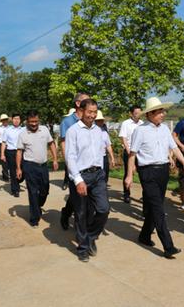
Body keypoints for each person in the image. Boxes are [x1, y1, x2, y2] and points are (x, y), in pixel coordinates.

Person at [125, 97, 184, 259]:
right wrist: (129, 175)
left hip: (163, 171)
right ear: (150, 114)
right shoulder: (140, 131)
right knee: (159, 210)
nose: (163, 114)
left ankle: (144, 236)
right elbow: (132, 154)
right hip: (147, 172)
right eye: (160, 111)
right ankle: (168, 246)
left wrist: (183, 162)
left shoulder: (164, 129)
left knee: (156, 206)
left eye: (163, 111)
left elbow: (174, 147)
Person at [65, 98, 110, 262]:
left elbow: (99, 153)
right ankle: (83, 247)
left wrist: (102, 173)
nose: (92, 115)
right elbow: (70, 157)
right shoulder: (73, 131)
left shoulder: (99, 131)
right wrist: (78, 180)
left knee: (103, 209)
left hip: (97, 175)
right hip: (81, 175)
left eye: (94, 112)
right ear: (82, 111)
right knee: (81, 213)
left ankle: (90, 237)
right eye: (89, 112)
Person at [16, 110, 59, 228]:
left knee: (45, 190)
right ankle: (34, 218)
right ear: (27, 121)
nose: (34, 124)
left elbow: (51, 144)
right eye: (31, 122)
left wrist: (55, 159)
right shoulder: (23, 134)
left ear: (38, 120)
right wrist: (19, 168)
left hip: (43, 166)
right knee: (33, 192)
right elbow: (19, 151)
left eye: (36, 121)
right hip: (30, 166)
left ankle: (37, 206)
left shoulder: (44, 130)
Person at [59, 92, 89, 230]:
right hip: (74, 163)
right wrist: (68, 162)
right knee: (77, 196)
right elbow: (64, 143)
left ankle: (73, 216)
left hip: (88, 163)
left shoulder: (89, 119)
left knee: (83, 195)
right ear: (78, 103)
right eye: (85, 100)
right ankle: (68, 216)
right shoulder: (67, 122)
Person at [119, 105, 143, 203]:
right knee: (128, 173)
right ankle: (126, 194)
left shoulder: (142, 124)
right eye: (136, 113)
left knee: (143, 173)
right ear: (131, 113)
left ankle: (145, 195)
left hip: (140, 153)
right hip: (129, 151)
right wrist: (128, 151)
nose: (138, 115)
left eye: (140, 113)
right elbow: (123, 138)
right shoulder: (126, 124)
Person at [1, 114, 24, 197]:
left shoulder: (24, 129)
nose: (16, 120)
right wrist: (2, 154)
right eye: (15, 118)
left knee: (23, 170)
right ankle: (15, 190)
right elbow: (4, 142)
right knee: (13, 171)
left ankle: (19, 180)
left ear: (20, 120)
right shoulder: (7, 130)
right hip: (11, 152)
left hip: (22, 152)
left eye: (18, 118)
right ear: (12, 119)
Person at [95, 110, 116, 183]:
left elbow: (108, 145)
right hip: (95, 158)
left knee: (105, 176)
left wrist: (112, 158)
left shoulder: (104, 133)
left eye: (101, 120)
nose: (100, 122)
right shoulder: (89, 132)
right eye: (98, 120)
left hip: (103, 157)